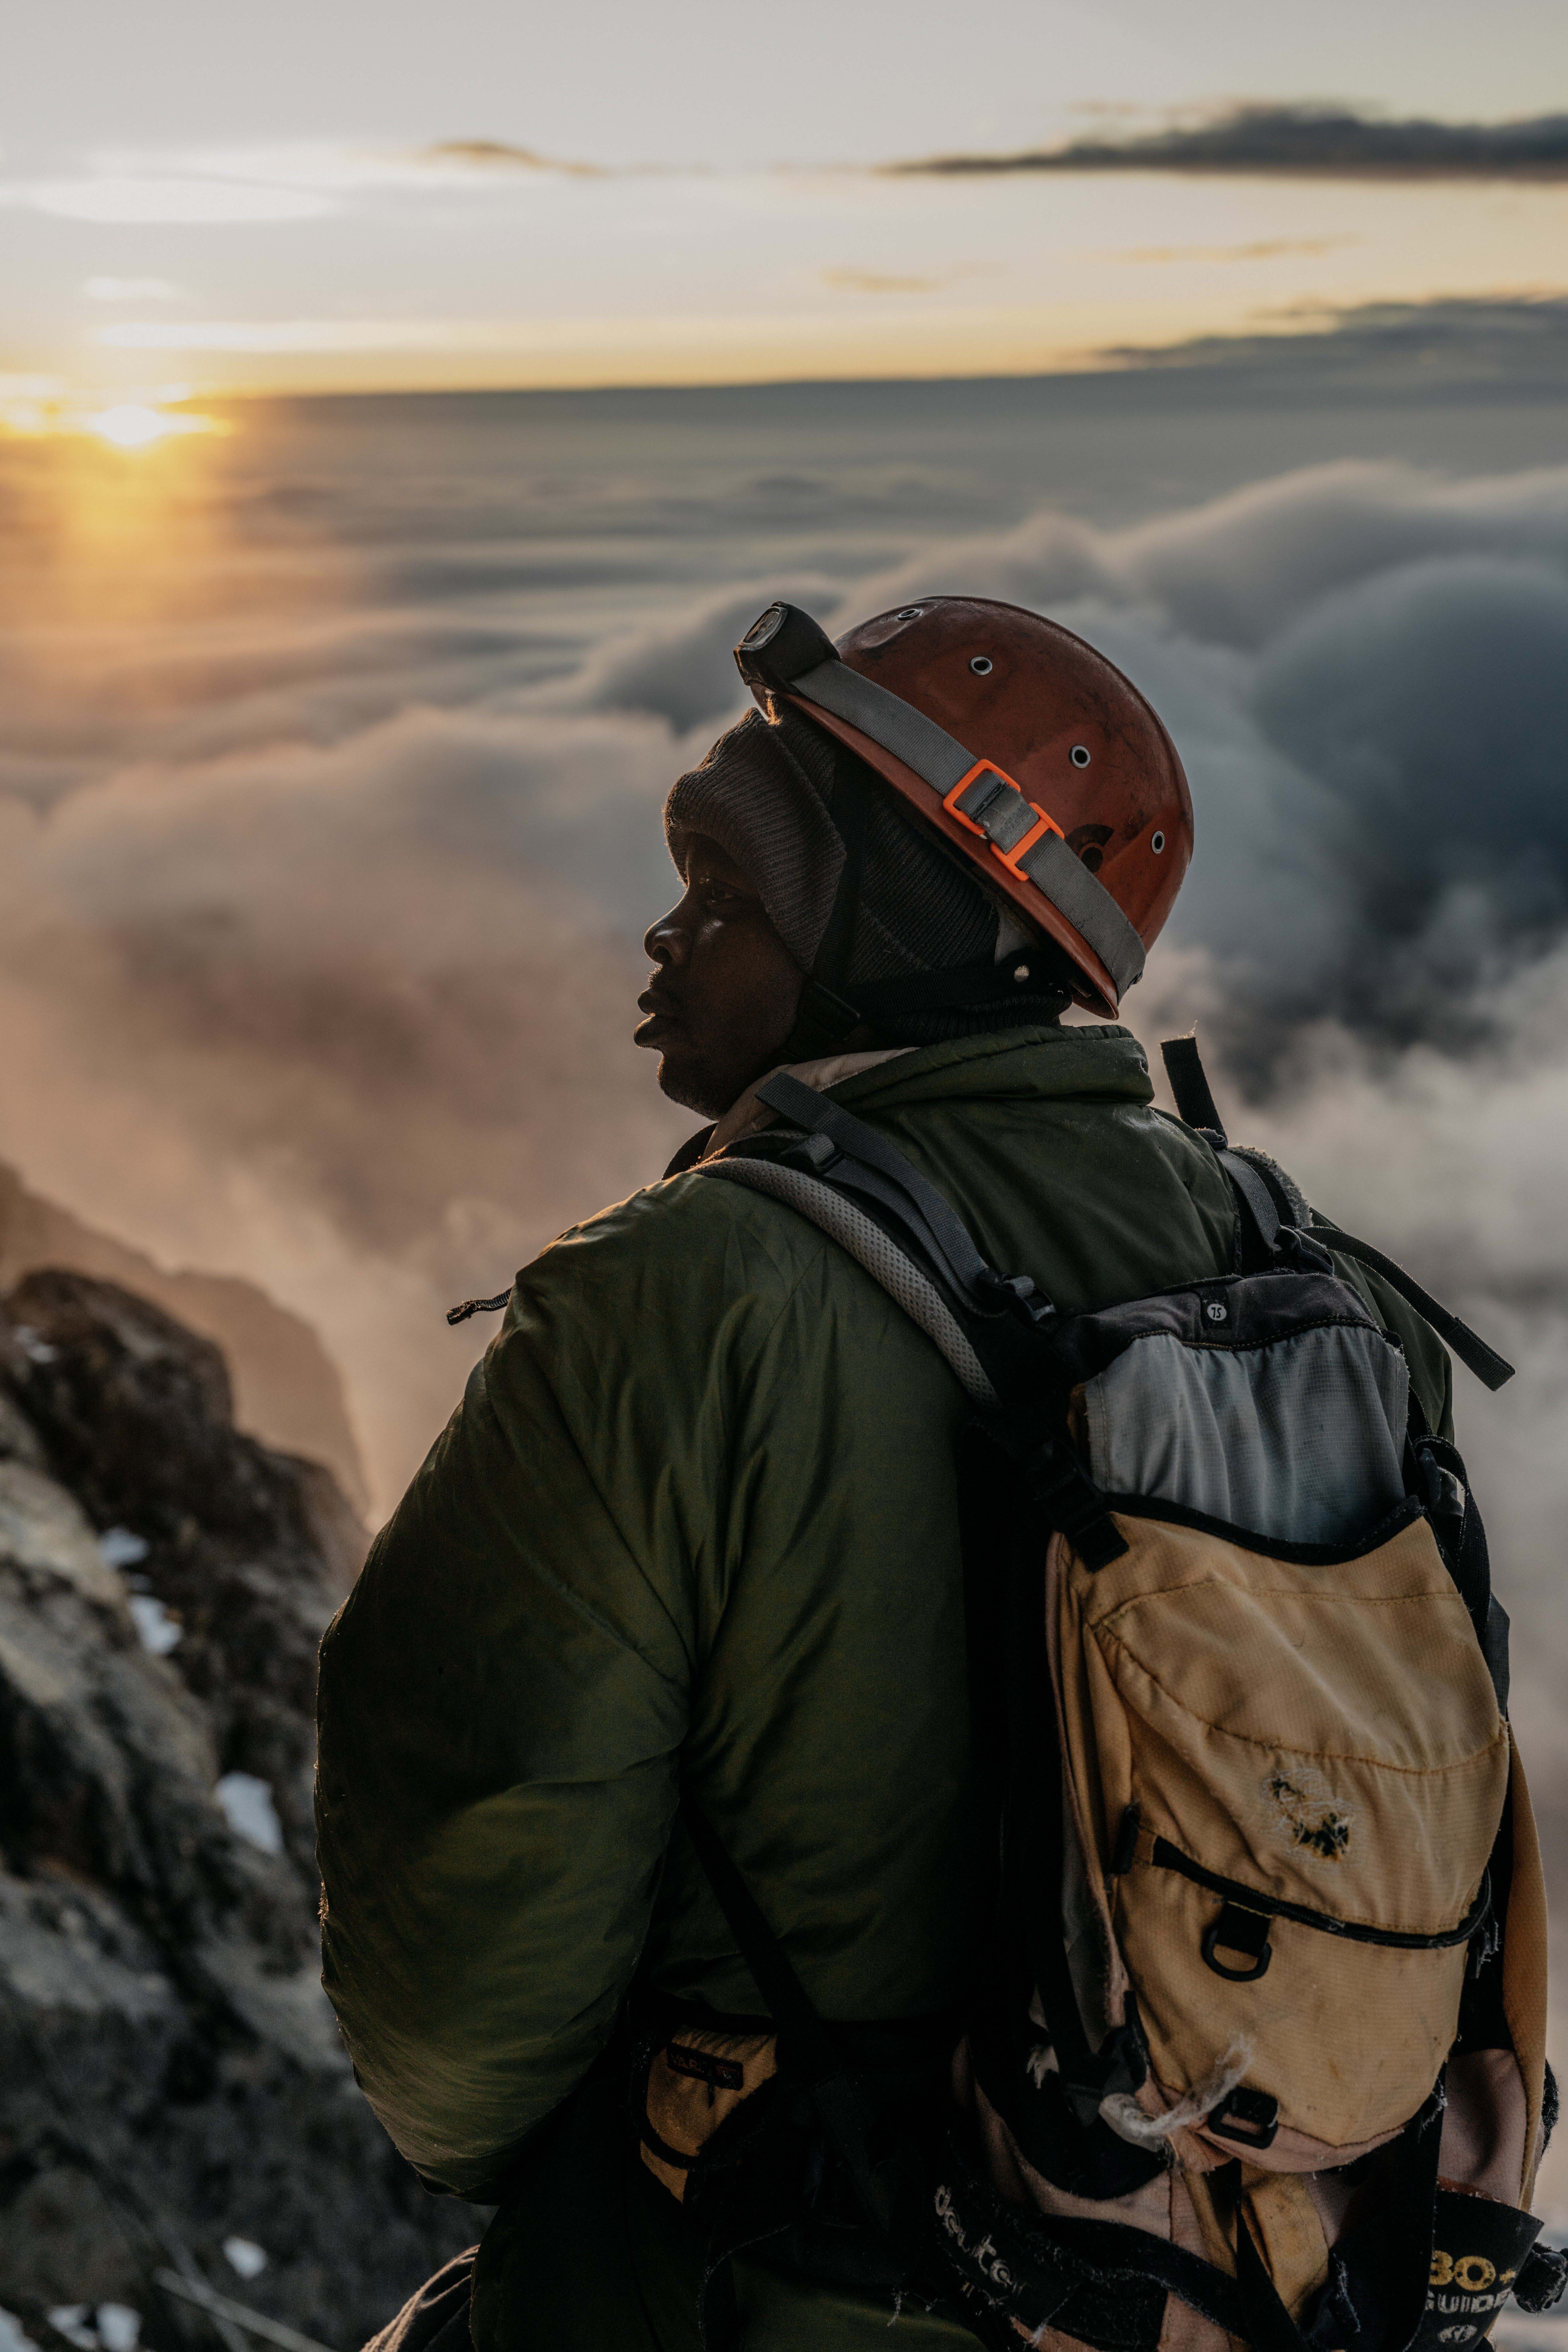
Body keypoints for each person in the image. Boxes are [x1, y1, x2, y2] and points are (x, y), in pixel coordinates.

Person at [316, 599, 1453, 2351]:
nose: (665, 938)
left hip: (756, 2285)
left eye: (730, 895)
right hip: (1232, 2289)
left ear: (900, 922)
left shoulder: (670, 1302)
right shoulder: (1337, 1297)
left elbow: (466, 1920)